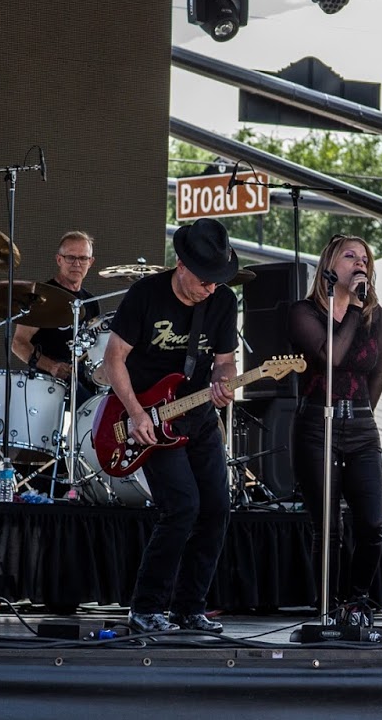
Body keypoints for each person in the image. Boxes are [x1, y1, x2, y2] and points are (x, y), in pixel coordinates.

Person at [101, 217, 239, 634]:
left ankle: (188, 608)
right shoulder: (146, 295)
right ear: (181, 265)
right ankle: (146, 608)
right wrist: (136, 412)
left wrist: (224, 383)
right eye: (204, 280)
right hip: (148, 416)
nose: (210, 288)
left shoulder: (222, 301)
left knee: (216, 509)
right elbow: (113, 358)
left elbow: (225, 362)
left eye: (217, 280)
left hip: (198, 416)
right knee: (182, 507)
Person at [287, 234, 382, 626]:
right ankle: (327, 607)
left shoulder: (376, 317)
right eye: (350, 256)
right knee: (329, 527)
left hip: (361, 426)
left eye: (365, 258)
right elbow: (331, 356)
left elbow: (378, 374)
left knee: (372, 524)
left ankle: (357, 601)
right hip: (316, 425)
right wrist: (352, 307)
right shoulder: (304, 312)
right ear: (330, 266)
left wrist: (361, 414)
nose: (360, 263)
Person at [11, 230, 100, 391]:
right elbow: (18, 343)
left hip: (81, 381)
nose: (77, 263)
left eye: (83, 258)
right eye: (70, 257)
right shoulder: (41, 297)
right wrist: (51, 366)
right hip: (45, 384)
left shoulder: (91, 302)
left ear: (91, 262)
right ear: (59, 259)